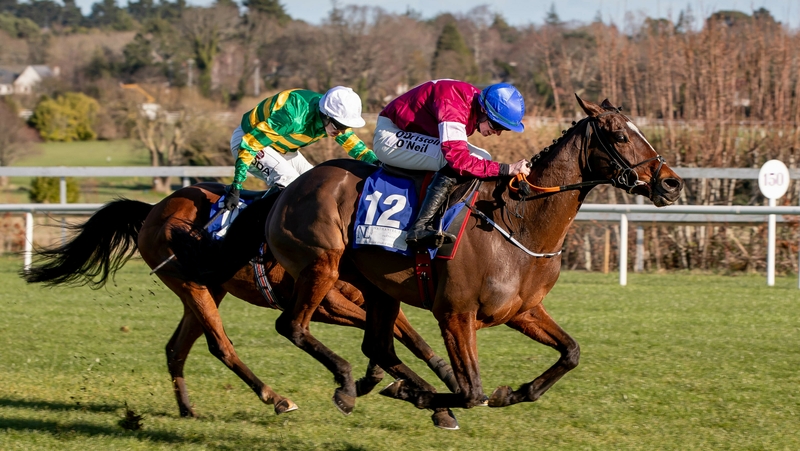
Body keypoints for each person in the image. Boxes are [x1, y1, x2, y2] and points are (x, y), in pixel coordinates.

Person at [372, 80, 531, 248]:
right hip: (391, 135)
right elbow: (458, 160)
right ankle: (420, 227)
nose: (497, 133)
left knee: (484, 156)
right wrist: (507, 169)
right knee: (450, 160)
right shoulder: (454, 104)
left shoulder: (474, 103)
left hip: (411, 134)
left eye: (504, 129)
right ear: (484, 110)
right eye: (496, 125)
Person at [225, 86, 378, 210]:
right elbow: (250, 144)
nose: (342, 132)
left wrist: (378, 163)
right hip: (248, 141)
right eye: (340, 126)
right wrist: (236, 186)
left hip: (281, 147)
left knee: (317, 184)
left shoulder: (332, 118)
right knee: (289, 181)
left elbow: (356, 147)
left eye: (346, 126)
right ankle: (251, 225)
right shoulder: (293, 117)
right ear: (326, 115)